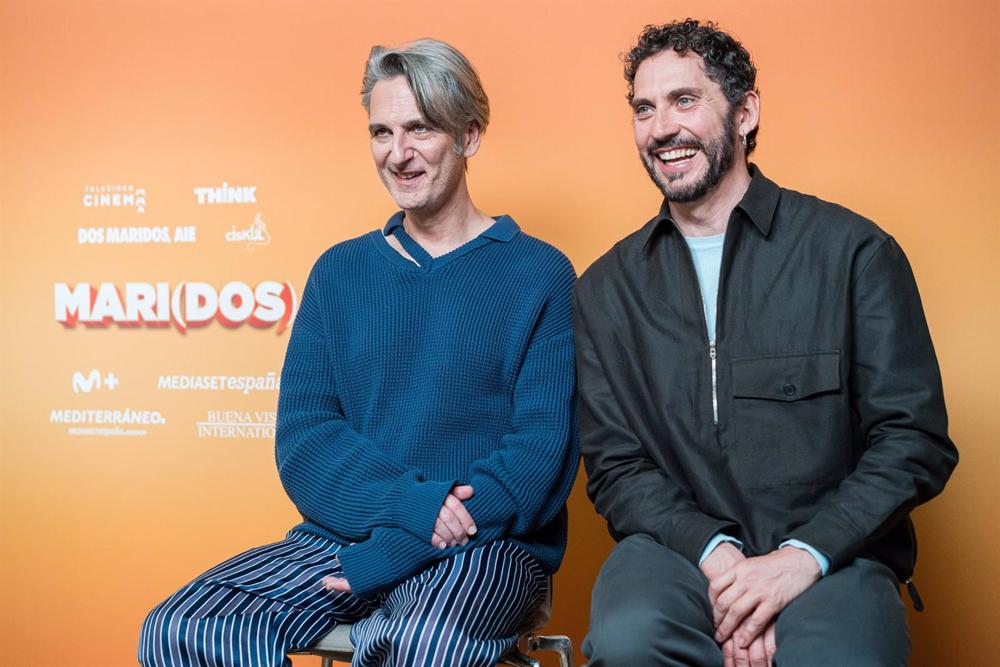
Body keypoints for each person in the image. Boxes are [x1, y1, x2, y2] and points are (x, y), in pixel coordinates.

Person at [138, 38, 578, 667]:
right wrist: (409, 507)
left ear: (470, 136)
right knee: (183, 628)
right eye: (381, 131)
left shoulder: (540, 274)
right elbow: (305, 439)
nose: (398, 154)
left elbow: (537, 461)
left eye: (420, 129)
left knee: (417, 643)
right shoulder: (339, 272)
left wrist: (408, 544)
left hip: (488, 544)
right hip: (345, 536)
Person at [575, 19, 957, 667]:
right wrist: (722, 563)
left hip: (836, 549)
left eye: (684, 100)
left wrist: (796, 562)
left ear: (745, 111)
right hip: (678, 553)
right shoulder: (606, 288)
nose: (661, 127)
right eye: (644, 108)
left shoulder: (854, 253)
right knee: (627, 637)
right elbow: (616, 466)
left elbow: (912, 439)